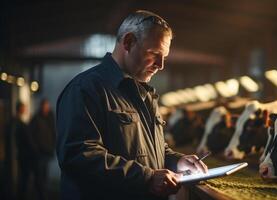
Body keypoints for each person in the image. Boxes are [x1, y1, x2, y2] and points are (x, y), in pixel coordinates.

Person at [56, 10, 208, 200]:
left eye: (165, 57)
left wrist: (177, 161)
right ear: (128, 42)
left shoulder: (144, 94)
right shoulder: (86, 89)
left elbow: (151, 150)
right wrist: (147, 178)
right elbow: (79, 156)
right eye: (154, 53)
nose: (160, 65)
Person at [28, 98, 56, 200]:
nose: (46, 108)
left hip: (47, 151)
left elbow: (53, 132)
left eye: (47, 106)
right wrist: (35, 148)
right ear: (41, 107)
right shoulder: (36, 118)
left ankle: (43, 195)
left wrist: (53, 146)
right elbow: (30, 135)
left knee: (44, 175)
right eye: (45, 106)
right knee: (39, 176)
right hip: (39, 152)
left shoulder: (50, 118)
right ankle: (40, 195)